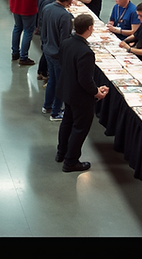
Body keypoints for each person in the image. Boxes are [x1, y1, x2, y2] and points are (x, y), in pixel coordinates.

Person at [55, 14, 109, 173]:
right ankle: (71, 162)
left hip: (67, 90)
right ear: (90, 28)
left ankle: (61, 152)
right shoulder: (86, 52)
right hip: (80, 97)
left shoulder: (66, 42)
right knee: (80, 128)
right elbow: (85, 80)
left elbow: (62, 64)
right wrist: (97, 92)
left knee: (67, 122)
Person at [40, 0, 76, 121]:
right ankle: (55, 112)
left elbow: (42, 28)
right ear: (69, 0)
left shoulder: (47, 8)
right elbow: (64, 39)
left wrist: (45, 44)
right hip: (58, 55)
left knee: (52, 80)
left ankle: (47, 106)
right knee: (60, 83)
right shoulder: (65, 16)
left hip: (48, 50)